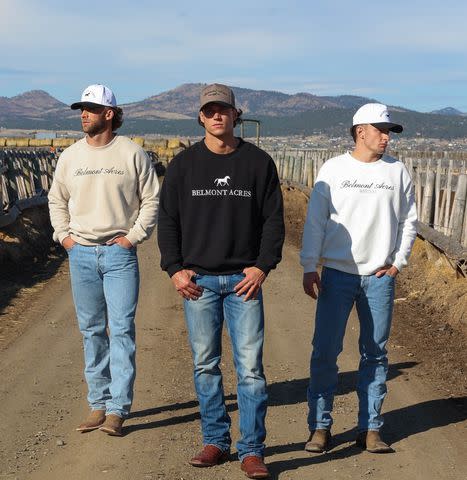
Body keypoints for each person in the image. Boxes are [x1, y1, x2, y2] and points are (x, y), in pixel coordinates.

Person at [157, 83, 284, 479]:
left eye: (223, 110)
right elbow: (168, 221)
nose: (216, 116)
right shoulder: (183, 166)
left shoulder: (258, 163)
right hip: (199, 283)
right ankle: (215, 440)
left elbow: (274, 222)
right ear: (200, 116)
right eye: (209, 110)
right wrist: (174, 269)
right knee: (205, 365)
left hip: (244, 282)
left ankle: (251, 449)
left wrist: (262, 266)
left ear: (235, 116)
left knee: (250, 370)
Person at [300, 103, 417, 453]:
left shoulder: (397, 172)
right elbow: (316, 220)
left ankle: (370, 427)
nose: (386, 137)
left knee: (376, 354)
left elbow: (408, 221)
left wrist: (398, 262)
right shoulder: (334, 170)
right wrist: (309, 265)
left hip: (379, 277)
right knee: (324, 352)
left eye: (389, 132)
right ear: (359, 131)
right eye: (380, 130)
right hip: (337, 274)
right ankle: (320, 427)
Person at [48, 84, 159, 436]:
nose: (83, 114)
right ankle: (98, 402)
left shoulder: (131, 154)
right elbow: (57, 200)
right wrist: (64, 237)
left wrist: (132, 238)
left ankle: (117, 409)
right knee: (91, 330)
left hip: (119, 255)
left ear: (109, 114)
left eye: (90, 109)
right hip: (80, 253)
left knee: (122, 330)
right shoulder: (70, 156)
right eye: (81, 108)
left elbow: (151, 200)